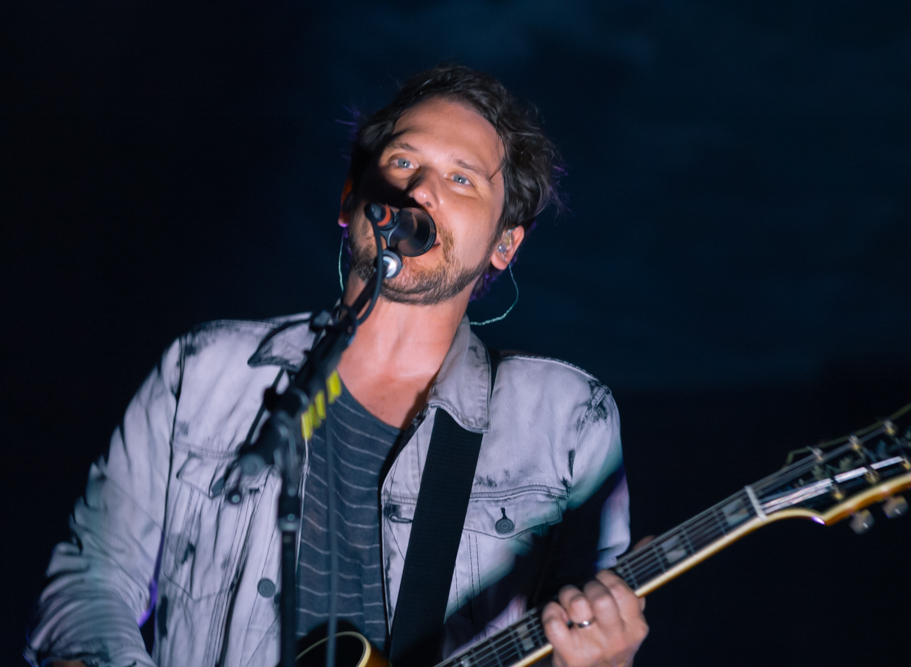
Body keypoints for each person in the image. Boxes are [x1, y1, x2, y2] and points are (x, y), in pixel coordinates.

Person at [27, 64, 648, 667]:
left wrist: (604, 662)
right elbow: (95, 575)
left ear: (504, 244)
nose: (421, 191)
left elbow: (585, 622)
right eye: (404, 162)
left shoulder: (565, 420)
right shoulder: (205, 369)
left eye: (463, 180)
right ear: (351, 200)